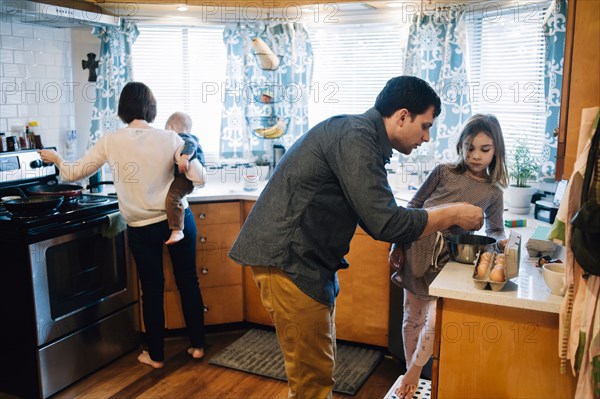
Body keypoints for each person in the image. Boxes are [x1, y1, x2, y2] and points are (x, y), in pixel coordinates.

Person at [228, 76, 485, 399]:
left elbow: (380, 210)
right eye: (425, 126)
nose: (426, 137)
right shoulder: (355, 138)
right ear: (402, 116)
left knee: (318, 367)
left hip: (305, 261)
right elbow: (386, 222)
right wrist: (453, 213)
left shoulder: (361, 138)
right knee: (312, 380)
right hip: (289, 260)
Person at [39, 82, 207, 368]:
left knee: (151, 290)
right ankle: (198, 345)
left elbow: (72, 173)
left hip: (142, 227)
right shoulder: (170, 138)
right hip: (177, 220)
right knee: (188, 280)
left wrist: (56, 158)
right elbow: (200, 179)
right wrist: (186, 159)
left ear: (122, 109)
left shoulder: (112, 140)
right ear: (151, 108)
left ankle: (155, 356)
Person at [390, 113, 509, 399]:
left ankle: (414, 372)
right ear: (460, 145)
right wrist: (396, 245)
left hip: (450, 263)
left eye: (484, 149)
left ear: (497, 151)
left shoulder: (492, 193)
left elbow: (495, 231)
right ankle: (410, 374)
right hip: (416, 250)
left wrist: (502, 245)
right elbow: (413, 206)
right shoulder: (443, 172)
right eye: (469, 147)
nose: (475, 155)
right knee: (412, 317)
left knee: (434, 321)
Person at [164, 112, 205, 245]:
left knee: (173, 197)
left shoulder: (184, 138)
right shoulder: (181, 138)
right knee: (174, 196)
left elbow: (190, 145)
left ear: (170, 128)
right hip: (183, 176)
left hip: (186, 177)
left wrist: (184, 157)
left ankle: (177, 229)